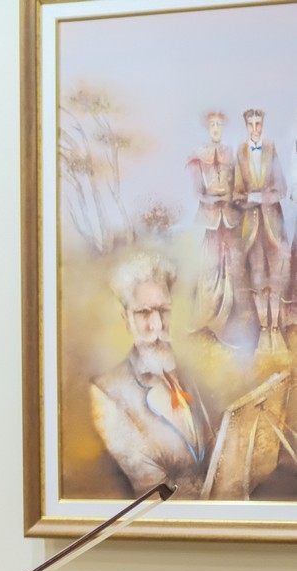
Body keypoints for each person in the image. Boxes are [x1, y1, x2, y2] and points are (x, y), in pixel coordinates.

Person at [89, 253, 213, 498]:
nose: (157, 325)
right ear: (126, 319)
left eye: (164, 310)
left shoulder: (186, 376)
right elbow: (151, 490)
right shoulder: (107, 392)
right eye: (144, 312)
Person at [231, 107, 287, 352]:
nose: (255, 129)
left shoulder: (272, 149)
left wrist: (263, 197)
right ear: (246, 127)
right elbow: (236, 194)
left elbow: (282, 188)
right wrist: (249, 199)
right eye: (251, 125)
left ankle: (276, 331)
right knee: (257, 278)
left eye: (258, 124)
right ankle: (264, 331)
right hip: (252, 227)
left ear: (263, 124)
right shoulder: (241, 153)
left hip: (273, 226)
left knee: (276, 277)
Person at [187, 110, 243, 341]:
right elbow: (197, 191)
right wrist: (211, 199)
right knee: (211, 268)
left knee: (231, 267)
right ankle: (206, 318)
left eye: (219, 125)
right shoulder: (199, 156)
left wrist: (231, 198)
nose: (216, 129)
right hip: (211, 221)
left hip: (230, 219)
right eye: (212, 125)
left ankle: (228, 323)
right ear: (207, 129)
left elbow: (238, 185)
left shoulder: (232, 154)